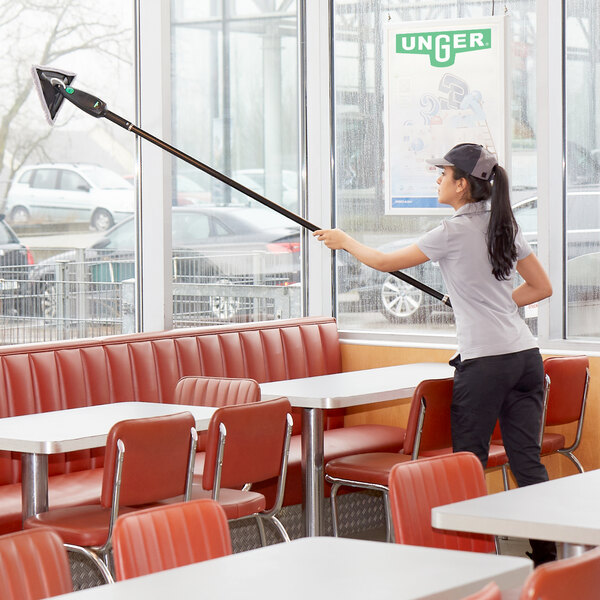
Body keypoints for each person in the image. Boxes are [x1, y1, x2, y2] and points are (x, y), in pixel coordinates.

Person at [314, 142, 556, 566]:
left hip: (484, 364)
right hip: (524, 358)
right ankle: (550, 559)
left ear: (462, 186)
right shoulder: (505, 225)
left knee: (466, 466)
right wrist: (491, 303)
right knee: (527, 463)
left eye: (443, 175)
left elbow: (386, 262)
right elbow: (541, 288)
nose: (438, 181)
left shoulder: (452, 231)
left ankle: (468, 559)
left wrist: (345, 241)